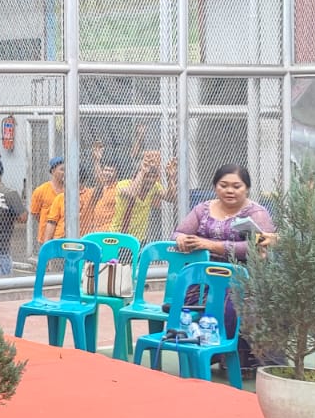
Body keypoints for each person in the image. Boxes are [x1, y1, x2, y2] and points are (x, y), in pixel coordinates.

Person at [174, 165, 274, 355]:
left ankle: (228, 356)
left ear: (247, 188)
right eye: (224, 185)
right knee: (186, 304)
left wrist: (211, 245)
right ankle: (202, 352)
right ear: (215, 186)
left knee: (229, 307)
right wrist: (181, 239)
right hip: (203, 282)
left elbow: (259, 246)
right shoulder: (202, 209)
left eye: (237, 186)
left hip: (241, 280)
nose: (229, 191)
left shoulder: (257, 213)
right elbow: (179, 232)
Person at [113, 151, 178, 241]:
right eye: (147, 176)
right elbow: (133, 193)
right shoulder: (122, 185)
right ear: (137, 175)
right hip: (118, 237)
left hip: (139, 239)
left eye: (153, 177)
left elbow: (172, 198)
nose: (150, 180)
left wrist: (170, 177)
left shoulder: (154, 187)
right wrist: (143, 170)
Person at [28, 157, 65, 245]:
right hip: (46, 236)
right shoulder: (41, 190)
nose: (65, 172)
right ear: (53, 171)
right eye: (62, 169)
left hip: (64, 236)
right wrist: (48, 223)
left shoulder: (70, 191)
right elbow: (35, 213)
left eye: (66, 170)